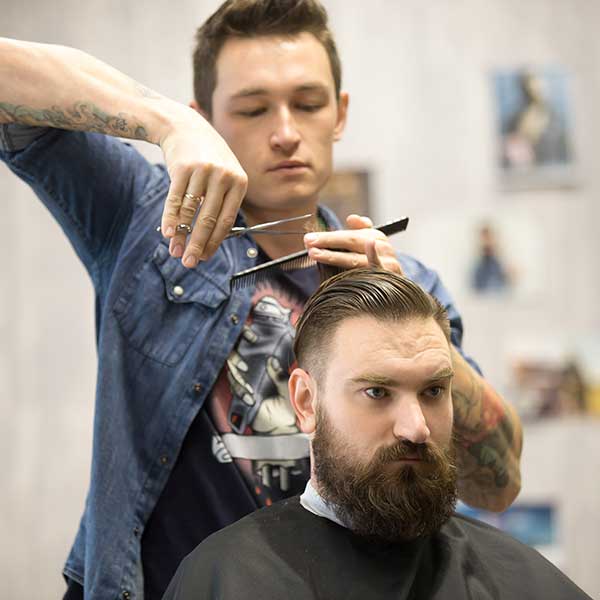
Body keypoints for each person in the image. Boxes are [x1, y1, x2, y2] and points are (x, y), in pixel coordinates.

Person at [0, 1, 523, 598]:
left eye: (308, 103)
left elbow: (497, 483)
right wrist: (165, 123)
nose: (285, 132)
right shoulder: (150, 223)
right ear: (209, 118)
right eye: (251, 109)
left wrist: (406, 323)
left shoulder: (414, 283)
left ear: (340, 112)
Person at [163, 269, 589, 600]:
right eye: (377, 392)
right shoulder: (228, 579)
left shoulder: (517, 578)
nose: (417, 427)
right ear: (307, 403)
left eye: (433, 391)